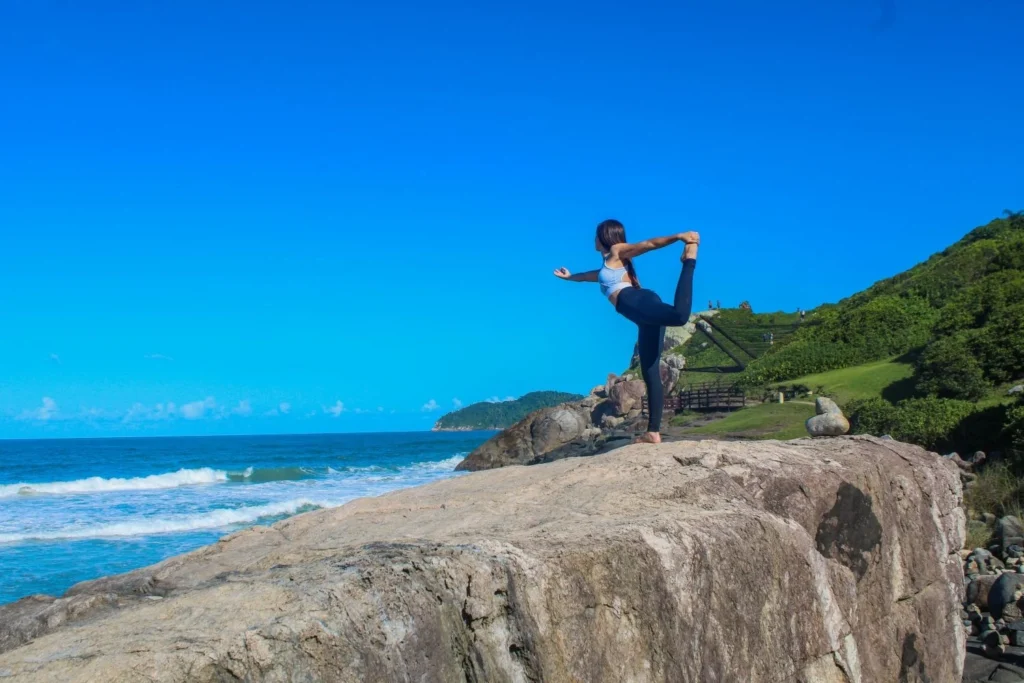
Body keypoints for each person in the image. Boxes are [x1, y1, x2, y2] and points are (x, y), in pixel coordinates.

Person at [554, 219, 699, 444]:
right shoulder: (605, 268)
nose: (593, 239)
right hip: (642, 314)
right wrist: (569, 277)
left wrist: (679, 237)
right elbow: (585, 277)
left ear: (605, 236)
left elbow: (648, 244)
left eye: (596, 235)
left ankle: (689, 260)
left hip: (638, 301)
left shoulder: (616, 251)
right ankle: (653, 432)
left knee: (679, 317)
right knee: (650, 372)